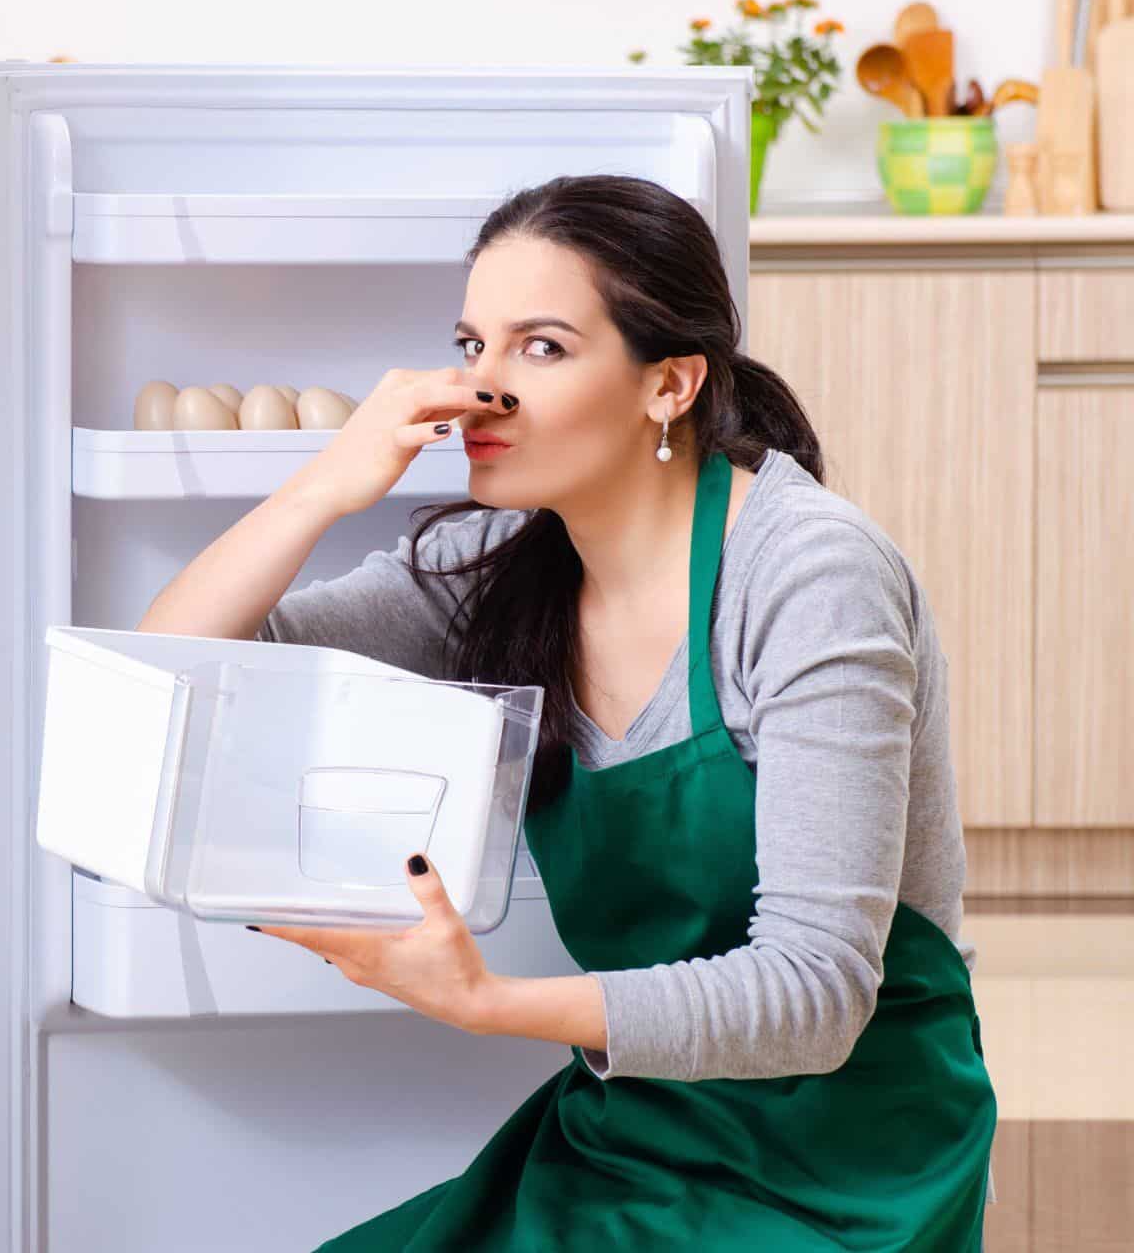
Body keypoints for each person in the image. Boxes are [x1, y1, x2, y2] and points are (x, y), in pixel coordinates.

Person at [137, 175, 996, 1250]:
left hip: (853, 1159)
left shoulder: (807, 574)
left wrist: (488, 1001)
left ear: (668, 385)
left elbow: (817, 993)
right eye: (472, 343)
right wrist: (323, 485)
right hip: (639, 1126)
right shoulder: (500, 566)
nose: (481, 389)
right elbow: (181, 673)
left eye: (540, 347)